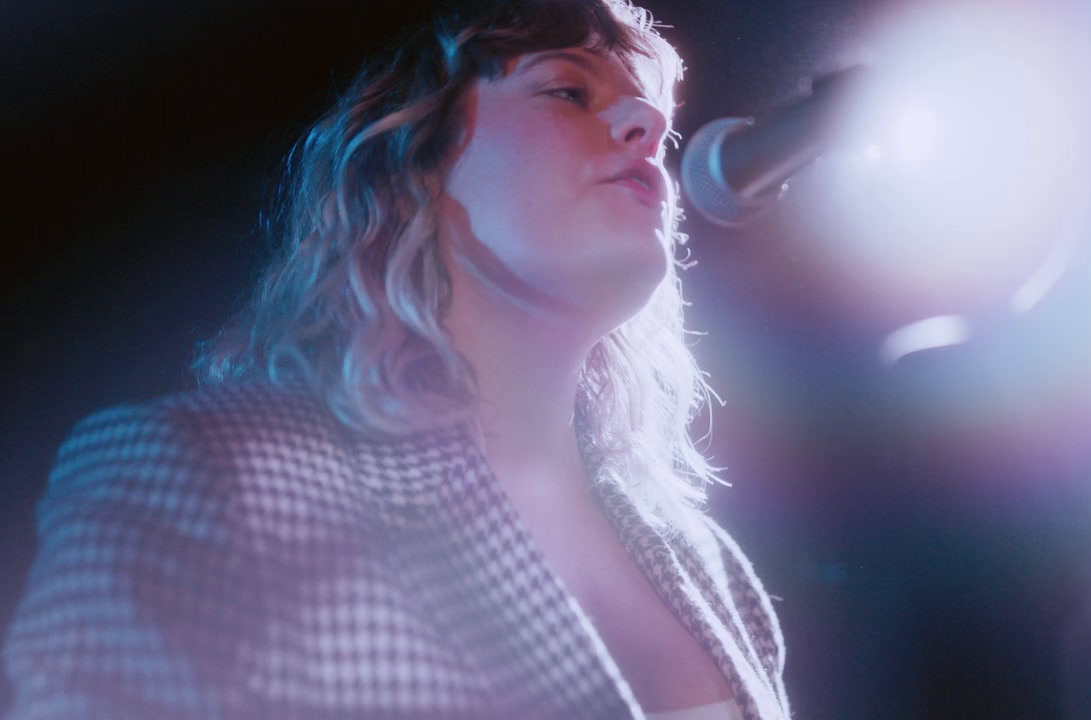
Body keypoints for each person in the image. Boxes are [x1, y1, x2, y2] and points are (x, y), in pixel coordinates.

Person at [3, 1, 788, 718]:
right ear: (414, 162)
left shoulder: (708, 565)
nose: (646, 125)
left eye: (655, 117)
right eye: (566, 91)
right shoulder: (202, 472)